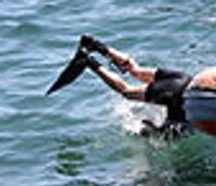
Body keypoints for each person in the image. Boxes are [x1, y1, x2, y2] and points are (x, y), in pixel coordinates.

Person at [48, 35, 192, 138]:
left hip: (184, 78)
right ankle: (89, 63)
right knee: (127, 91)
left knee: (137, 71)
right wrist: (149, 132)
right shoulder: (196, 118)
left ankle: (96, 46)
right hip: (175, 94)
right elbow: (163, 133)